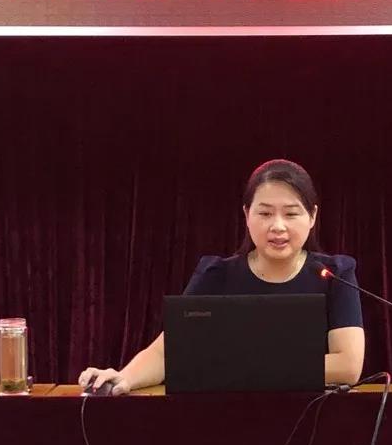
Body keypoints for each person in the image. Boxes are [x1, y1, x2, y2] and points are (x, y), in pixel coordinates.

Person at [79, 159, 365, 395]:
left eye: (291, 214)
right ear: (246, 214)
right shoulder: (216, 275)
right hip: (228, 420)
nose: (278, 226)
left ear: (312, 216)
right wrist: (124, 377)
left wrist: (238, 364)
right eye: (265, 213)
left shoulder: (336, 275)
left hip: (312, 420)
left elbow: (348, 366)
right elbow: (167, 352)